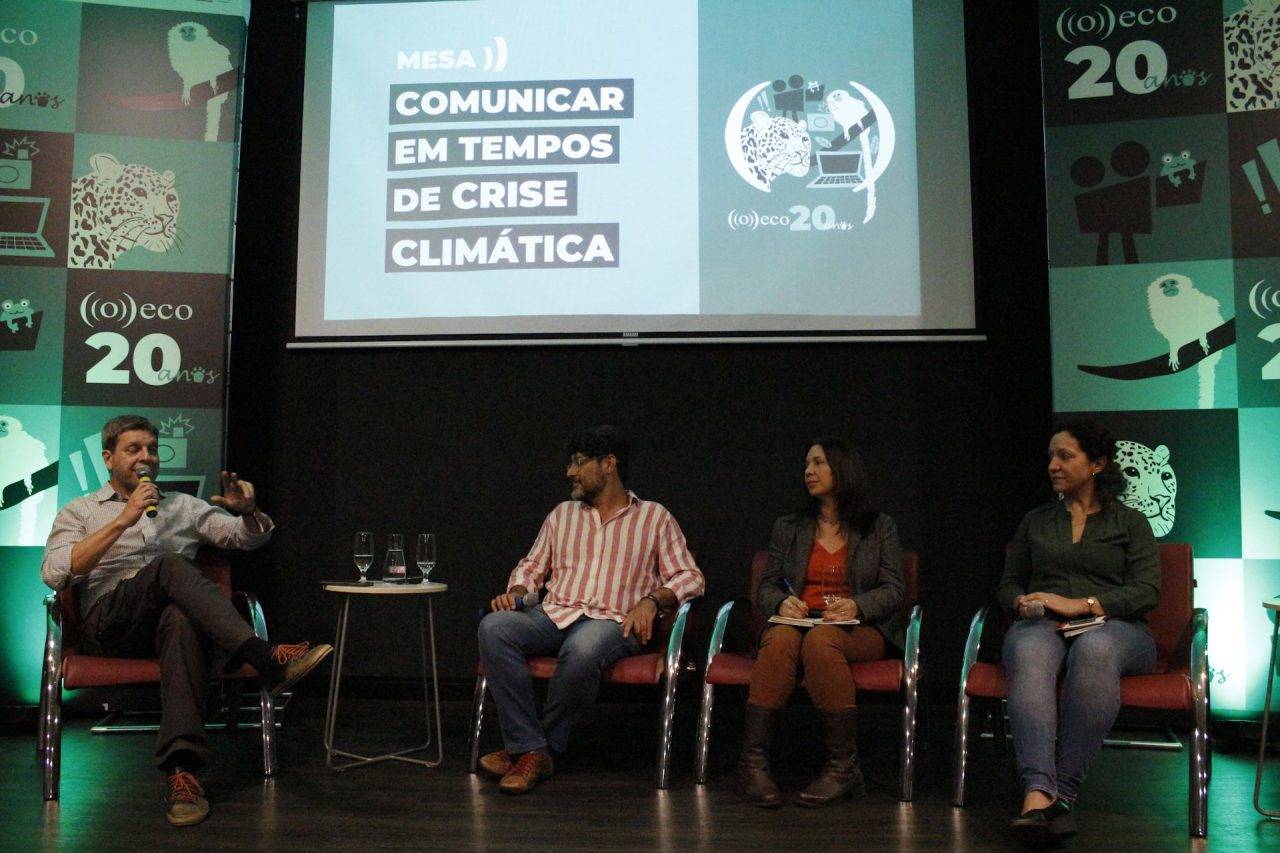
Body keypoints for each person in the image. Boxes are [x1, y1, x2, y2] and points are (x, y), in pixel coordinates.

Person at [40, 415, 332, 827]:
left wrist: (249, 513)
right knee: (171, 565)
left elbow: (244, 537)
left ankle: (183, 772)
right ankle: (265, 659)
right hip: (110, 627)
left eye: (152, 449)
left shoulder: (183, 506)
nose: (146, 458)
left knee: (179, 619)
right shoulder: (81, 510)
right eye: (133, 449)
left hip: (172, 634)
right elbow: (54, 573)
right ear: (108, 458)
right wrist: (124, 519)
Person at [476, 425, 704, 795]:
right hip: (555, 614)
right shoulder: (561, 515)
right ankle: (531, 748)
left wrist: (651, 600)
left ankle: (533, 750)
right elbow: (531, 568)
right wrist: (517, 590)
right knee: (495, 627)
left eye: (579, 463)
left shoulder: (654, 518)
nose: (570, 472)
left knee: (582, 648)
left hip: (613, 621)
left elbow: (690, 577)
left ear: (608, 464)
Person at [996, 420, 1160, 843]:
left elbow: (1147, 590)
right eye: (1051, 456)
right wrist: (1020, 601)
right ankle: (1038, 793)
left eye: (1065, 456)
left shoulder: (1131, 522)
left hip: (1118, 628)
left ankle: (1063, 793)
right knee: (1028, 649)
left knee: (1095, 647)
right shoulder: (1036, 521)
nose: (1053, 465)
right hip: (1044, 625)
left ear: (1097, 464)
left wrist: (1084, 604)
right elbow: (1009, 583)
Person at [739, 438, 904, 808]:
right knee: (780, 639)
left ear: (842, 468)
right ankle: (753, 764)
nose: (808, 472)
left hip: (858, 629)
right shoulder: (789, 527)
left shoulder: (880, 527)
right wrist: (782, 601)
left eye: (818, 463)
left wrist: (856, 604)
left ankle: (843, 768)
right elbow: (767, 586)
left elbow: (894, 589)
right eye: (806, 465)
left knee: (822, 640)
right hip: (798, 623)